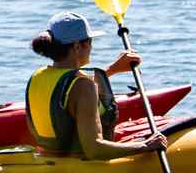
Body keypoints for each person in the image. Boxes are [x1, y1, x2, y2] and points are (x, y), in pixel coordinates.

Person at [23, 11, 168, 160]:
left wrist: (113, 69)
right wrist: (146, 145)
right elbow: (95, 150)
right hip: (80, 168)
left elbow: (67, 88)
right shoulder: (84, 87)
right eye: (90, 42)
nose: (91, 47)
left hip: (48, 160)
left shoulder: (38, 76)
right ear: (78, 46)